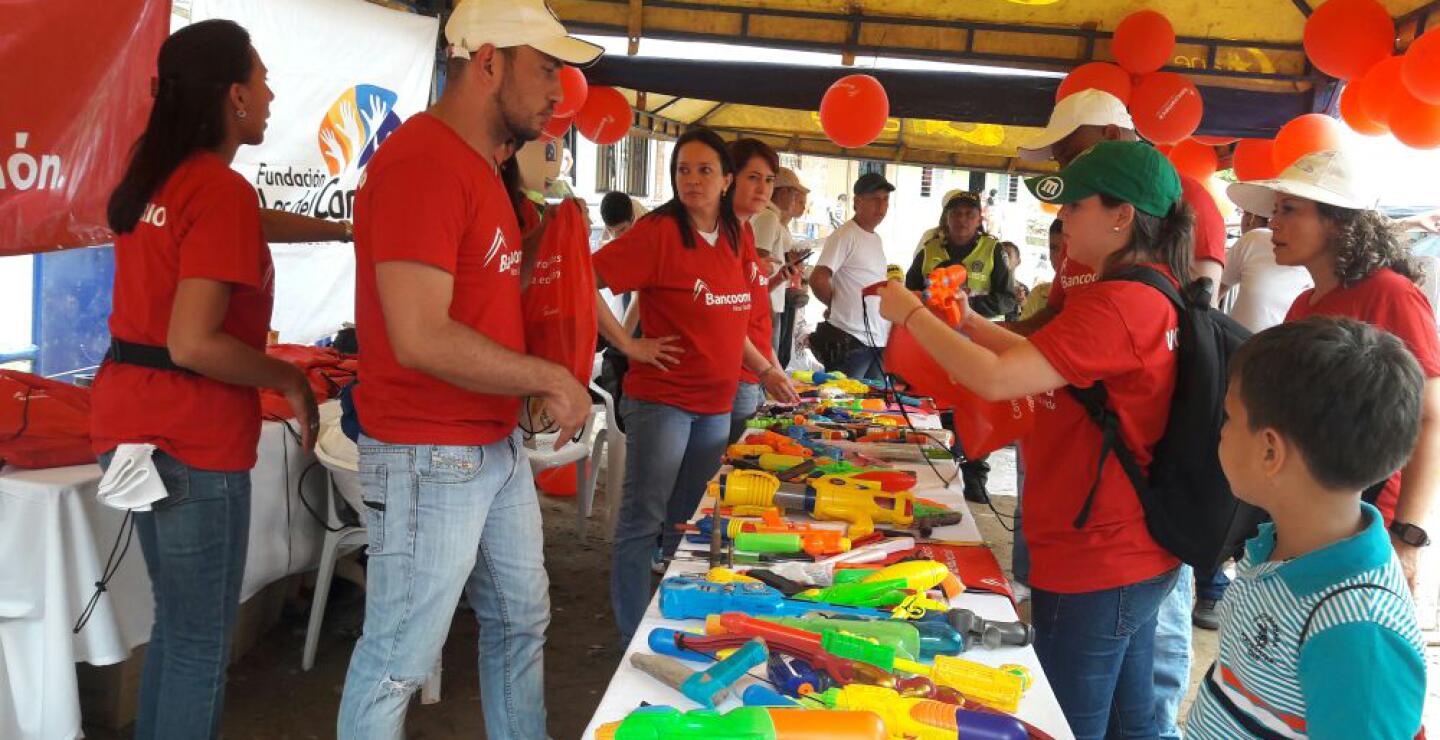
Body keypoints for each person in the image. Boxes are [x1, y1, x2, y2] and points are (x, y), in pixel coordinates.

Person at [337, 3, 600, 737]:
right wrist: (545, 376)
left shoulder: (483, 169)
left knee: (522, 619)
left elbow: (474, 310)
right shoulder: (423, 161)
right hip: (428, 451)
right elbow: (419, 335)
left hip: (487, 444)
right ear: (487, 61)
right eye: (545, 68)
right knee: (398, 657)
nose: (558, 91)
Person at [876, 141, 1189, 739]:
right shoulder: (1124, 291)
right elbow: (1034, 357)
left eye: (1075, 205)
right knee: (1131, 724)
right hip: (1121, 548)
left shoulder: (1122, 303)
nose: (1062, 218)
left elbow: (996, 380)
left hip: (1098, 556)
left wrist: (909, 314)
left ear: (1121, 216)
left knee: (1066, 724)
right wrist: (966, 321)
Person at [91, 20, 345, 738]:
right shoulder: (216, 188)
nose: (270, 94)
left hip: (129, 422)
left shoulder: (158, 172)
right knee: (201, 643)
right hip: (191, 439)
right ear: (234, 96)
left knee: (179, 626)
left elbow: (241, 219)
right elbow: (194, 342)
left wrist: (345, 230)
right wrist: (290, 380)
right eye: (261, 80)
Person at [1015, 88, 1230, 740]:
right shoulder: (1099, 266)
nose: (1066, 184)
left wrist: (930, 325)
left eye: (1074, 159)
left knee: (1126, 685)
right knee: (1123, 705)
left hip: (1122, 503)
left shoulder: (1181, 205)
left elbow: (1195, 335)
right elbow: (1051, 322)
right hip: (1081, 480)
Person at [593, 128, 796, 643]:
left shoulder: (735, 235)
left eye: (705, 170)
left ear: (725, 180)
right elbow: (581, 278)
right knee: (645, 518)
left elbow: (733, 319)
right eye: (684, 169)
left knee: (687, 521)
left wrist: (768, 370)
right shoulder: (658, 232)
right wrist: (628, 343)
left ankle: (671, 620)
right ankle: (629, 633)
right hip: (664, 401)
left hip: (716, 403)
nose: (692, 180)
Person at [1185, 317, 1426, 740]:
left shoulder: (1360, 632)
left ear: (1270, 451)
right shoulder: (1276, 547)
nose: (1220, 432)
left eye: (1229, 418)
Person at [1229, 149, 1440, 593]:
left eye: (1289, 210)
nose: (1274, 224)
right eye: (1274, 211)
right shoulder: (1303, 306)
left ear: (1338, 221)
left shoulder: (1390, 295)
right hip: (1299, 514)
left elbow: (1430, 416)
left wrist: (1408, 536)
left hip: (1364, 521)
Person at [728, 137, 801, 441]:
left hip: (754, 365)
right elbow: (727, 320)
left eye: (768, 180)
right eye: (753, 178)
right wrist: (627, 345)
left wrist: (772, 367)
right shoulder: (734, 231)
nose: (763, 189)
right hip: (740, 371)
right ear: (729, 178)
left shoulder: (744, 228)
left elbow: (752, 305)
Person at [810, 172, 895, 380]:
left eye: (885, 200)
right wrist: (836, 305)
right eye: (875, 199)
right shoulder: (845, 235)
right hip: (851, 338)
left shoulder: (876, 239)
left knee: (873, 405)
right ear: (857, 202)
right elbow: (818, 278)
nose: (881, 206)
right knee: (844, 403)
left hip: (876, 339)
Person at [905, 190, 1018, 320]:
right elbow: (910, 294)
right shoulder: (929, 250)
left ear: (979, 220)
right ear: (947, 218)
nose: (961, 219)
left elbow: (1008, 300)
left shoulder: (993, 250)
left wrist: (968, 304)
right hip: (935, 332)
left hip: (981, 333)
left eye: (969, 214)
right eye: (956, 213)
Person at [1220, 210, 1314, 333]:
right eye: (1275, 210)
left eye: (1288, 209)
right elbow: (1213, 292)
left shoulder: (1330, 280)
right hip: (1231, 348)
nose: (1271, 223)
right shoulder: (1255, 241)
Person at [1019, 219, 1064, 321]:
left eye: (1067, 248)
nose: (1060, 256)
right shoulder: (1039, 293)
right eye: (1053, 248)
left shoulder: (1095, 298)